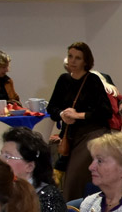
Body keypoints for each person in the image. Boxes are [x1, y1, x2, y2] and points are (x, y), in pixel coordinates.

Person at [48, 42, 114, 200]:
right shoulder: (63, 80)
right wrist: (63, 114)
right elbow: (52, 108)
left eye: (78, 58)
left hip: (92, 134)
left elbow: (105, 112)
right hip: (71, 135)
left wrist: (78, 115)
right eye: (70, 56)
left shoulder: (92, 80)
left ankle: (74, 207)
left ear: (85, 61)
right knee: (71, 177)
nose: (73, 61)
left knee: (75, 178)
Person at [0, 127, 70, 212]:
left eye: (7, 156)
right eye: (0, 154)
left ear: (29, 166)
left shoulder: (48, 196)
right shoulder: (3, 192)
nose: (0, 160)